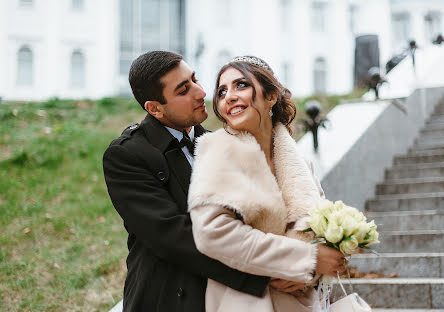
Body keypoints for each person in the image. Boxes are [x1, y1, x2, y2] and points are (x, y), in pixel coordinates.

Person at [103, 51, 275, 312]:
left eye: (194, 79)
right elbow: (174, 236)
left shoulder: (224, 143)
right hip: (166, 298)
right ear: (154, 108)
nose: (201, 92)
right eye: (184, 90)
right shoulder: (127, 155)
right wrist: (264, 274)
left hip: (228, 297)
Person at [188, 56, 347, 311]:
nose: (228, 96)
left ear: (271, 95)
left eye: (241, 85)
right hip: (245, 302)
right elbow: (213, 234)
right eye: (222, 91)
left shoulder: (299, 163)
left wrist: (311, 272)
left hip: (301, 302)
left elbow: (320, 228)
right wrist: (304, 259)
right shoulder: (217, 154)